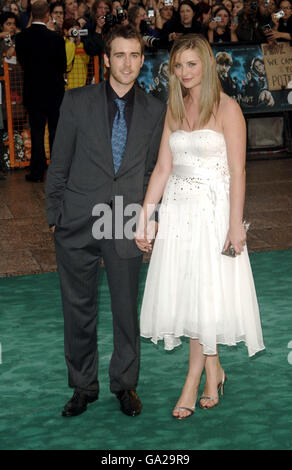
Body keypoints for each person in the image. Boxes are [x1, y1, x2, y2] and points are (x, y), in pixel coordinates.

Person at [135, 34, 265, 419]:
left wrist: (235, 225)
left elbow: (239, 172)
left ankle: (193, 379)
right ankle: (214, 371)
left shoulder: (228, 109)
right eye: (179, 65)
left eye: (192, 64)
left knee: (206, 290)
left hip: (212, 212)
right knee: (190, 290)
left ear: (207, 64)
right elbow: (162, 168)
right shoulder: (174, 108)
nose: (185, 72)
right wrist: (145, 216)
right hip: (178, 212)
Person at [45, 24, 165, 418]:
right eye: (119, 55)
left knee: (125, 310)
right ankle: (83, 386)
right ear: (106, 59)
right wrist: (54, 217)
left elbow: (153, 173)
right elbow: (59, 162)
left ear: (142, 60)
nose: (127, 63)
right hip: (77, 220)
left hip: (127, 219)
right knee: (78, 309)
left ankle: (125, 384)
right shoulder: (76, 101)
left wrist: (151, 218)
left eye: (134, 55)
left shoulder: (154, 110)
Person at [15, 0, 66, 182]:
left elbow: (22, 63)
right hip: (54, 93)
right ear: (47, 15)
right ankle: (57, 173)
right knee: (55, 132)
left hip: (33, 92)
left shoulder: (21, 38)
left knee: (36, 132)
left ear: (31, 16)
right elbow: (63, 66)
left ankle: (37, 172)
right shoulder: (56, 38)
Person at [63, 18, 90, 89]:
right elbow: (67, 61)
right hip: (67, 87)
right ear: (65, 31)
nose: (75, 33)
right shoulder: (62, 43)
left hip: (81, 85)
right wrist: (71, 40)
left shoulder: (81, 45)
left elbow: (86, 60)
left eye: (77, 31)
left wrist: (78, 44)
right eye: (74, 31)